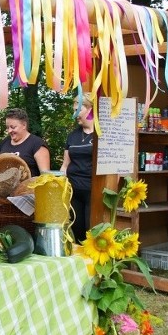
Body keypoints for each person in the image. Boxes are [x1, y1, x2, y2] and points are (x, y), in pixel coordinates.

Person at [61, 93, 95, 240]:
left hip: (92, 190)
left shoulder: (101, 134)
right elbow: (65, 165)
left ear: (90, 109)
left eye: (78, 110)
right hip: (74, 190)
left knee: (91, 228)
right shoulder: (72, 136)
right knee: (77, 228)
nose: (75, 114)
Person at [0, 108, 50, 176]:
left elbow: (46, 177)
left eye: (13, 127)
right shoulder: (4, 143)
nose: (9, 131)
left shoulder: (37, 144)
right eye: (7, 127)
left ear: (24, 125)